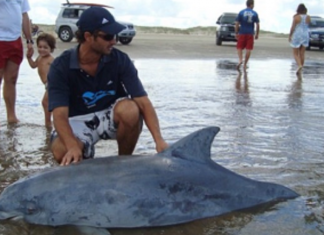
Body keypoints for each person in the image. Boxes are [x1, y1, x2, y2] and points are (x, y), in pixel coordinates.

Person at [48, 7, 168, 166]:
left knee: (131, 110)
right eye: (108, 36)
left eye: (115, 35)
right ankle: (84, 167)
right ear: (88, 36)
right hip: (77, 118)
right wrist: (72, 146)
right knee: (61, 151)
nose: (114, 41)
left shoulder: (120, 60)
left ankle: (122, 164)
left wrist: (159, 141)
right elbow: (59, 115)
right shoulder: (60, 66)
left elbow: (143, 103)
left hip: (109, 114)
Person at [0, 0, 34, 123]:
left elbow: (24, 15)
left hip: (15, 40)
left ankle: (11, 116)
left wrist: (29, 41)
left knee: (11, 79)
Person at [27, 33, 56, 128]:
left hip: (53, 83)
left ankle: (48, 123)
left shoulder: (51, 59)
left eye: (45, 47)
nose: (42, 49)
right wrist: (29, 57)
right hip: (47, 84)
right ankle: (50, 122)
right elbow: (33, 66)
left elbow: (60, 69)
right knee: (48, 103)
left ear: (51, 49)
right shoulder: (39, 58)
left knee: (45, 102)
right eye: (40, 47)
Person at [235, 0, 260, 71]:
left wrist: (236, 32)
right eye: (253, 4)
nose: (254, 6)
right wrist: (257, 34)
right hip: (250, 33)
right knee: (248, 49)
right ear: (251, 5)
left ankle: (240, 60)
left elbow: (237, 23)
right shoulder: (255, 13)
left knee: (239, 47)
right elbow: (257, 24)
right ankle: (245, 64)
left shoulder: (241, 12)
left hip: (242, 32)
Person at [288, 3, 310, 74]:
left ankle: (299, 65)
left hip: (297, 34)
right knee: (302, 53)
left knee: (295, 53)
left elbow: (292, 28)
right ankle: (301, 68)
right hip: (305, 34)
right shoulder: (308, 17)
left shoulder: (296, 17)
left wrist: (290, 35)